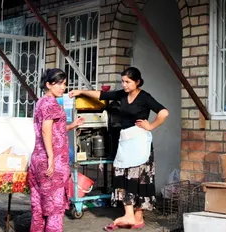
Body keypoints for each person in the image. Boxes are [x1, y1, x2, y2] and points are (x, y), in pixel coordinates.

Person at [70, 67, 169, 231]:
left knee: (139, 179)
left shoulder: (145, 97)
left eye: (128, 82)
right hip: (126, 141)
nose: (124, 84)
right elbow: (102, 95)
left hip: (140, 142)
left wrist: (151, 125)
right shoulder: (122, 95)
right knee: (122, 175)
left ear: (137, 82)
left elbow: (164, 112)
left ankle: (131, 215)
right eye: (123, 81)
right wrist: (80, 92)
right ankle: (136, 218)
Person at [29, 68, 84, 232]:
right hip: (51, 160)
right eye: (59, 84)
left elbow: (54, 131)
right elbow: (46, 130)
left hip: (37, 158)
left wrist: (72, 126)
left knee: (39, 205)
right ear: (48, 84)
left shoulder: (41, 102)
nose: (63, 88)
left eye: (65, 84)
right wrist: (51, 158)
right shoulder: (51, 104)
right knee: (54, 207)